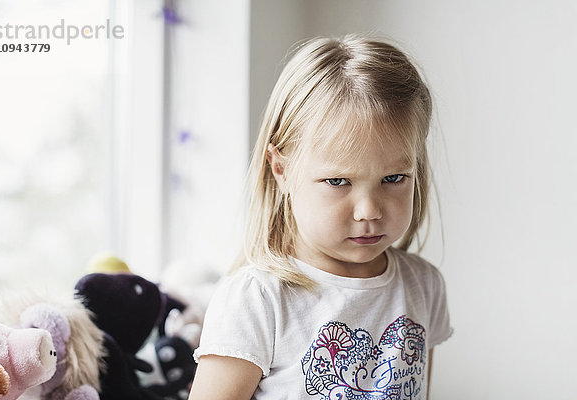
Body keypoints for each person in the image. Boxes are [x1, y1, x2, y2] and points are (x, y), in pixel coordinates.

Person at [188, 34, 452, 400]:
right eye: (338, 181)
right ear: (281, 170)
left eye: (393, 178)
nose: (369, 210)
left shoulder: (423, 286)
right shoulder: (258, 300)